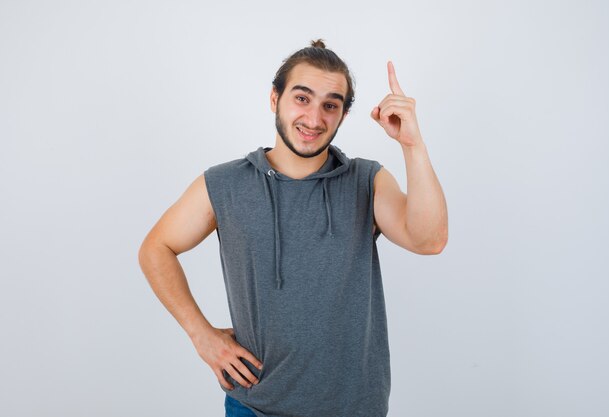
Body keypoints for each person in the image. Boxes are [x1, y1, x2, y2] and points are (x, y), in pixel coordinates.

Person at [138, 39, 448, 417]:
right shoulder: (224, 184)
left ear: (342, 115)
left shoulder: (367, 180)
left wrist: (412, 145)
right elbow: (156, 248)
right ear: (275, 99)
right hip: (255, 406)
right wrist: (200, 334)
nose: (314, 119)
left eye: (330, 105)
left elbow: (429, 240)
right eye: (302, 98)